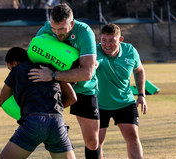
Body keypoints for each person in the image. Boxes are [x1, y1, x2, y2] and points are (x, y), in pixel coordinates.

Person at [28, 3, 100, 159]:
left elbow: (87, 73)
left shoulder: (84, 32)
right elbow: (34, 58)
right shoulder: (46, 28)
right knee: (45, 130)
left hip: (84, 88)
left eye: (61, 29)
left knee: (92, 142)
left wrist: (53, 75)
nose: (57, 33)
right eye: (54, 28)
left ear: (72, 23)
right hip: (54, 87)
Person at [0, 47, 77, 159]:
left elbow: (3, 100)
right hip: (57, 123)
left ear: (15, 63)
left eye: (10, 68)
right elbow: (72, 98)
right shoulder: (50, 69)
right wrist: (54, 108)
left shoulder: (16, 70)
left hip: (34, 122)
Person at [96, 24, 148, 159]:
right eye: (104, 40)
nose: (107, 44)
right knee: (96, 142)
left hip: (125, 102)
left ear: (120, 40)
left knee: (133, 137)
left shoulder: (130, 51)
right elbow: (92, 64)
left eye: (112, 40)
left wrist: (141, 94)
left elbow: (139, 70)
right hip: (99, 104)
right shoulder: (94, 52)